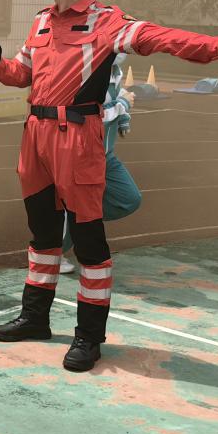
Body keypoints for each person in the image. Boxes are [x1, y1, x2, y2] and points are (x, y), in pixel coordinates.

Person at [0, 0, 218, 371]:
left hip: (77, 138)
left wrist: (217, 47)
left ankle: (88, 337)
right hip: (35, 136)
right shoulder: (41, 21)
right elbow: (22, 73)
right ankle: (35, 318)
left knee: (89, 242)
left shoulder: (106, 22)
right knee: (42, 234)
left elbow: (161, 38)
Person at [57, 55, 140, 274]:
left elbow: (117, 94)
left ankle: (81, 221)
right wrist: (122, 106)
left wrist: (123, 117)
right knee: (73, 207)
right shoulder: (87, 72)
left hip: (105, 155)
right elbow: (90, 115)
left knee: (129, 199)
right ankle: (55, 253)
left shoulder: (115, 70)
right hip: (82, 154)